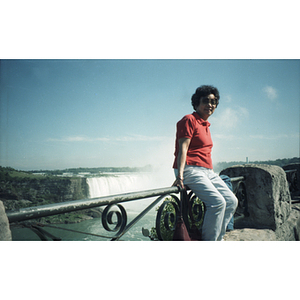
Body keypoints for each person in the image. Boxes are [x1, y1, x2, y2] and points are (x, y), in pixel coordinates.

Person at [172, 85, 238, 241]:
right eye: (206, 101)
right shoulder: (189, 119)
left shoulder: (206, 125)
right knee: (217, 203)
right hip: (190, 169)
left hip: (207, 171)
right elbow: (183, 149)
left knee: (231, 201)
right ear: (196, 103)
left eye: (213, 102)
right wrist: (180, 176)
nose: (210, 105)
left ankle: (217, 238)